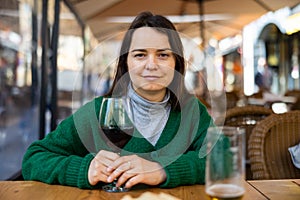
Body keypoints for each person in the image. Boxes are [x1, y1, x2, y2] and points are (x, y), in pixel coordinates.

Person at [22, 11, 213, 190]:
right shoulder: (98, 112)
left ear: (176, 63)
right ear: (126, 63)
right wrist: (85, 169)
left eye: (163, 55)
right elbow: (34, 159)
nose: (151, 65)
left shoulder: (193, 112)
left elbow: (222, 158)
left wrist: (163, 170)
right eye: (140, 55)